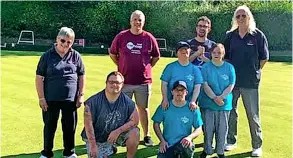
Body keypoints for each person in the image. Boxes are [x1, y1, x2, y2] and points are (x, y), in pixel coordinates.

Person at [109, 10, 160, 146]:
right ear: (130, 21)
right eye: (135, 20)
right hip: (124, 81)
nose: (137, 22)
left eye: (140, 20)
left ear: (143, 22)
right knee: (122, 110)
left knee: (143, 108)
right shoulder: (121, 36)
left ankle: (147, 135)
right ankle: (121, 136)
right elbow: (113, 53)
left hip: (143, 82)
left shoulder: (149, 37)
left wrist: (147, 67)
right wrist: (121, 65)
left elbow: (156, 56)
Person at [223, 5, 269, 157]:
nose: (241, 18)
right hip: (232, 82)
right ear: (235, 19)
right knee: (231, 112)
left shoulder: (258, 35)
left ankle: (257, 145)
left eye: (244, 16)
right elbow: (226, 57)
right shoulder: (230, 36)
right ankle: (231, 140)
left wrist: (255, 71)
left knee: (253, 115)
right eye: (238, 16)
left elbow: (264, 58)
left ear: (249, 17)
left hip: (250, 82)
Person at [36, 27, 85, 158]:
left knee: (70, 127)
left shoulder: (76, 56)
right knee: (49, 127)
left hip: (70, 99)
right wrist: (41, 98)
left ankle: (69, 152)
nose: (65, 44)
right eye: (63, 40)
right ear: (57, 39)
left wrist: (81, 95)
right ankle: (46, 153)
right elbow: (39, 78)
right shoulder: (47, 56)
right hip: (50, 98)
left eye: (69, 42)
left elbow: (81, 75)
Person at [81, 71, 140, 158]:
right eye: (111, 82)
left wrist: (117, 131)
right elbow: (88, 126)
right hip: (97, 137)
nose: (114, 85)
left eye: (117, 82)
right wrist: (93, 145)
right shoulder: (92, 102)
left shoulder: (128, 102)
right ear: (106, 83)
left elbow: (135, 121)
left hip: (116, 133)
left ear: (122, 84)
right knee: (97, 156)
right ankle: (110, 148)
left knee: (135, 132)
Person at [198, 44, 236, 158]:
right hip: (208, 103)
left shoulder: (229, 67)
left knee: (222, 130)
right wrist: (214, 98)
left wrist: (221, 97)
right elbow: (205, 84)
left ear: (223, 54)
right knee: (208, 129)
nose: (216, 55)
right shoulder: (205, 67)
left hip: (224, 104)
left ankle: (220, 152)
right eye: (214, 52)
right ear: (211, 53)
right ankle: (207, 150)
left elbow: (231, 84)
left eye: (219, 53)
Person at [152, 80, 203, 158]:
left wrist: (189, 137)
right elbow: (156, 124)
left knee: (187, 147)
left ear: (186, 92)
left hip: (184, 145)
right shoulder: (165, 106)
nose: (179, 92)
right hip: (167, 144)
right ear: (172, 92)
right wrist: (162, 141)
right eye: (177, 90)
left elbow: (199, 128)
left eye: (182, 90)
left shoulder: (192, 109)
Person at [160, 41, 203, 110]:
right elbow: (164, 84)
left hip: (188, 105)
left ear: (190, 51)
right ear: (176, 53)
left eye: (186, 49)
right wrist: (165, 99)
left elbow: (197, 86)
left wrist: (193, 101)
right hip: (171, 103)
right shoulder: (170, 67)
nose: (184, 51)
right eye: (181, 49)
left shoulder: (195, 69)